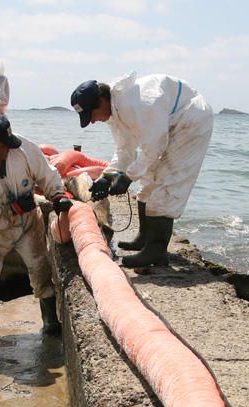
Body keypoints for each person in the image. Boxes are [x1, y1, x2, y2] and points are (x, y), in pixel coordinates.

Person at [70, 73, 213, 267]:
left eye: (92, 115)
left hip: (190, 119)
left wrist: (127, 177)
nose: (93, 121)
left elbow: (154, 148)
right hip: (169, 122)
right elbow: (124, 150)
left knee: (167, 181)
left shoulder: (140, 105)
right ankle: (144, 239)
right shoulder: (115, 111)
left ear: (102, 101)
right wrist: (107, 176)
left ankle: (156, 251)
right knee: (148, 178)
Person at [0, 116, 74, 340]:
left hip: (28, 223)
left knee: (40, 265)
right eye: (4, 144)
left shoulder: (22, 148)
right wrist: (13, 209)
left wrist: (57, 194)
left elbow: (45, 173)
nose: (10, 147)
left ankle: (49, 317)